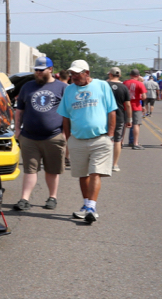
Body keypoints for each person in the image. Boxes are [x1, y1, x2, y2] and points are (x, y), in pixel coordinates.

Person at [57, 59, 117, 225]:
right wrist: (69, 138)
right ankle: (86, 205)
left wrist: (110, 135)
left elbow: (112, 111)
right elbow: (65, 116)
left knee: (95, 172)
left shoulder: (102, 86)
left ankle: (91, 207)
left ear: (87, 73)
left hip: (100, 138)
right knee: (82, 174)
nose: (74, 77)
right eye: (72, 74)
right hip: (77, 139)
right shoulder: (69, 90)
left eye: (77, 74)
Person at [12, 57, 67, 212]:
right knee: (30, 170)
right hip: (29, 136)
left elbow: (67, 113)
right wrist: (17, 130)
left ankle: (52, 197)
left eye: (41, 70)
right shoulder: (27, 87)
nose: (38, 72)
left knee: (52, 170)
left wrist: (64, 133)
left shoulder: (62, 87)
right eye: (36, 70)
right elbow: (19, 110)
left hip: (53, 136)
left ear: (50, 69)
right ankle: (24, 199)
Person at [106, 67, 132, 172]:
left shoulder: (105, 86)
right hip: (119, 116)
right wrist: (129, 119)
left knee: (104, 139)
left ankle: (104, 163)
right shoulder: (124, 87)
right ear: (119, 75)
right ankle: (115, 164)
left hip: (105, 116)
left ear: (110, 74)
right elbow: (128, 105)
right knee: (117, 140)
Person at [125, 68, 147, 149]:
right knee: (136, 124)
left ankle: (120, 142)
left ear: (130, 75)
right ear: (138, 76)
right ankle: (135, 143)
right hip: (136, 106)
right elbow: (144, 97)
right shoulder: (140, 84)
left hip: (126, 106)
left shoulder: (125, 83)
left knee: (124, 124)